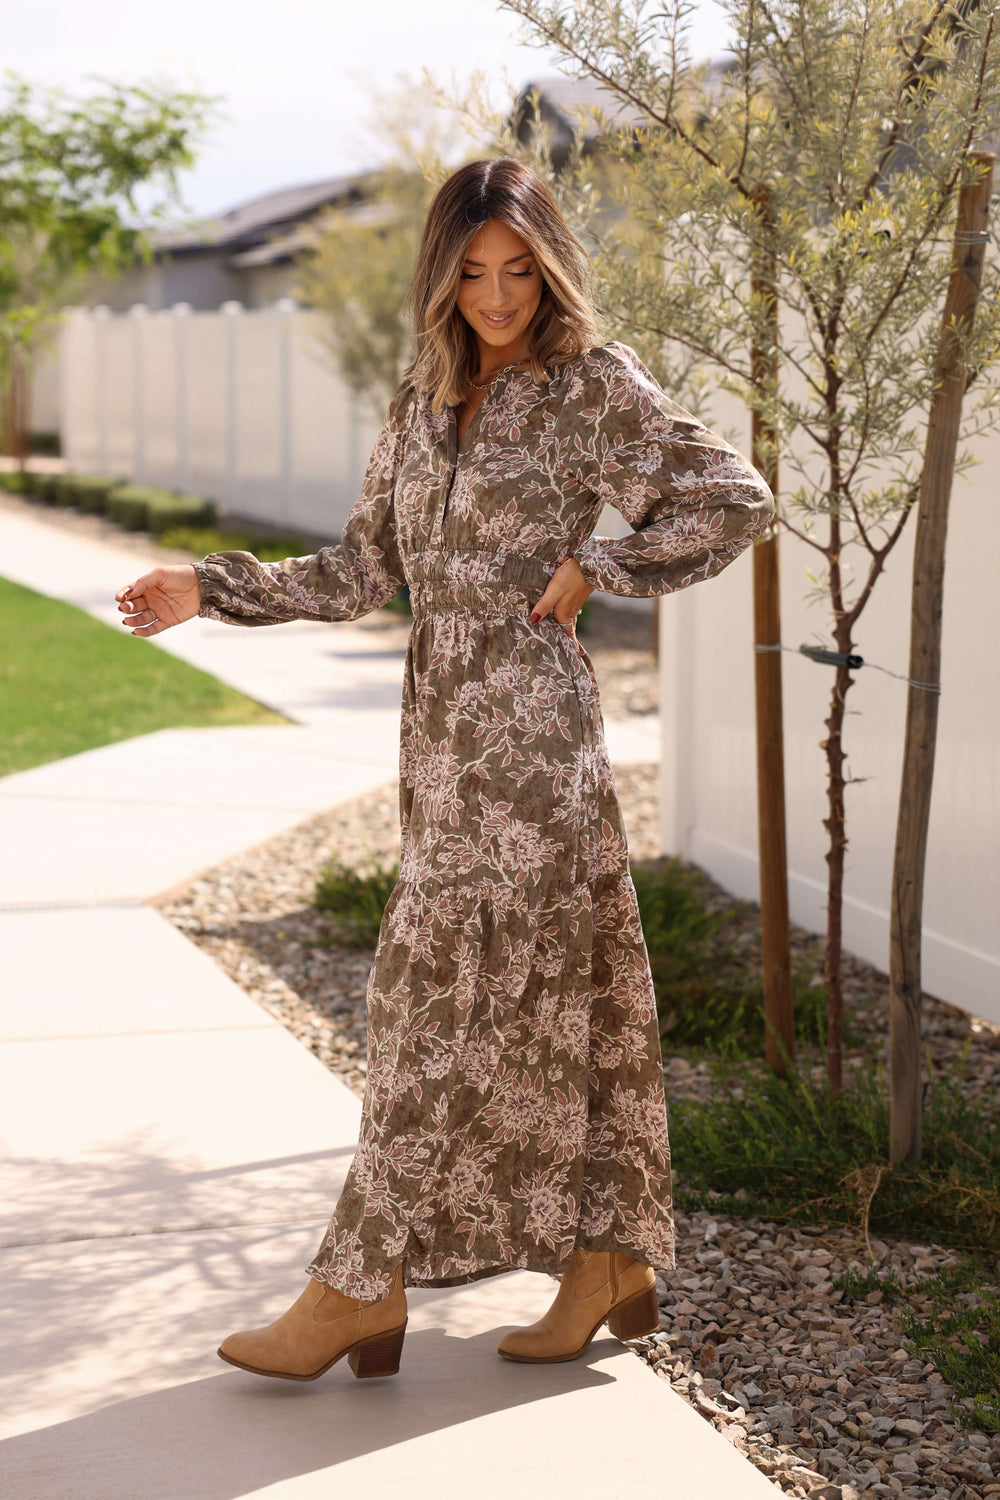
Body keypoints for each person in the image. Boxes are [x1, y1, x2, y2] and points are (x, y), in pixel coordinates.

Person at [116, 157, 774, 1383]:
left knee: (425, 1010)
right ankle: (606, 1258)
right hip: (440, 746)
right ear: (442, 273)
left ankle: (354, 1289)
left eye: (520, 269)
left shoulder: (590, 386)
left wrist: (606, 568)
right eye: (473, 271)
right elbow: (365, 571)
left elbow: (732, 499)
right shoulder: (422, 400)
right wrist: (208, 587)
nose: (498, 295)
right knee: (531, 1007)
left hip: (532, 752)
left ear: (550, 265)